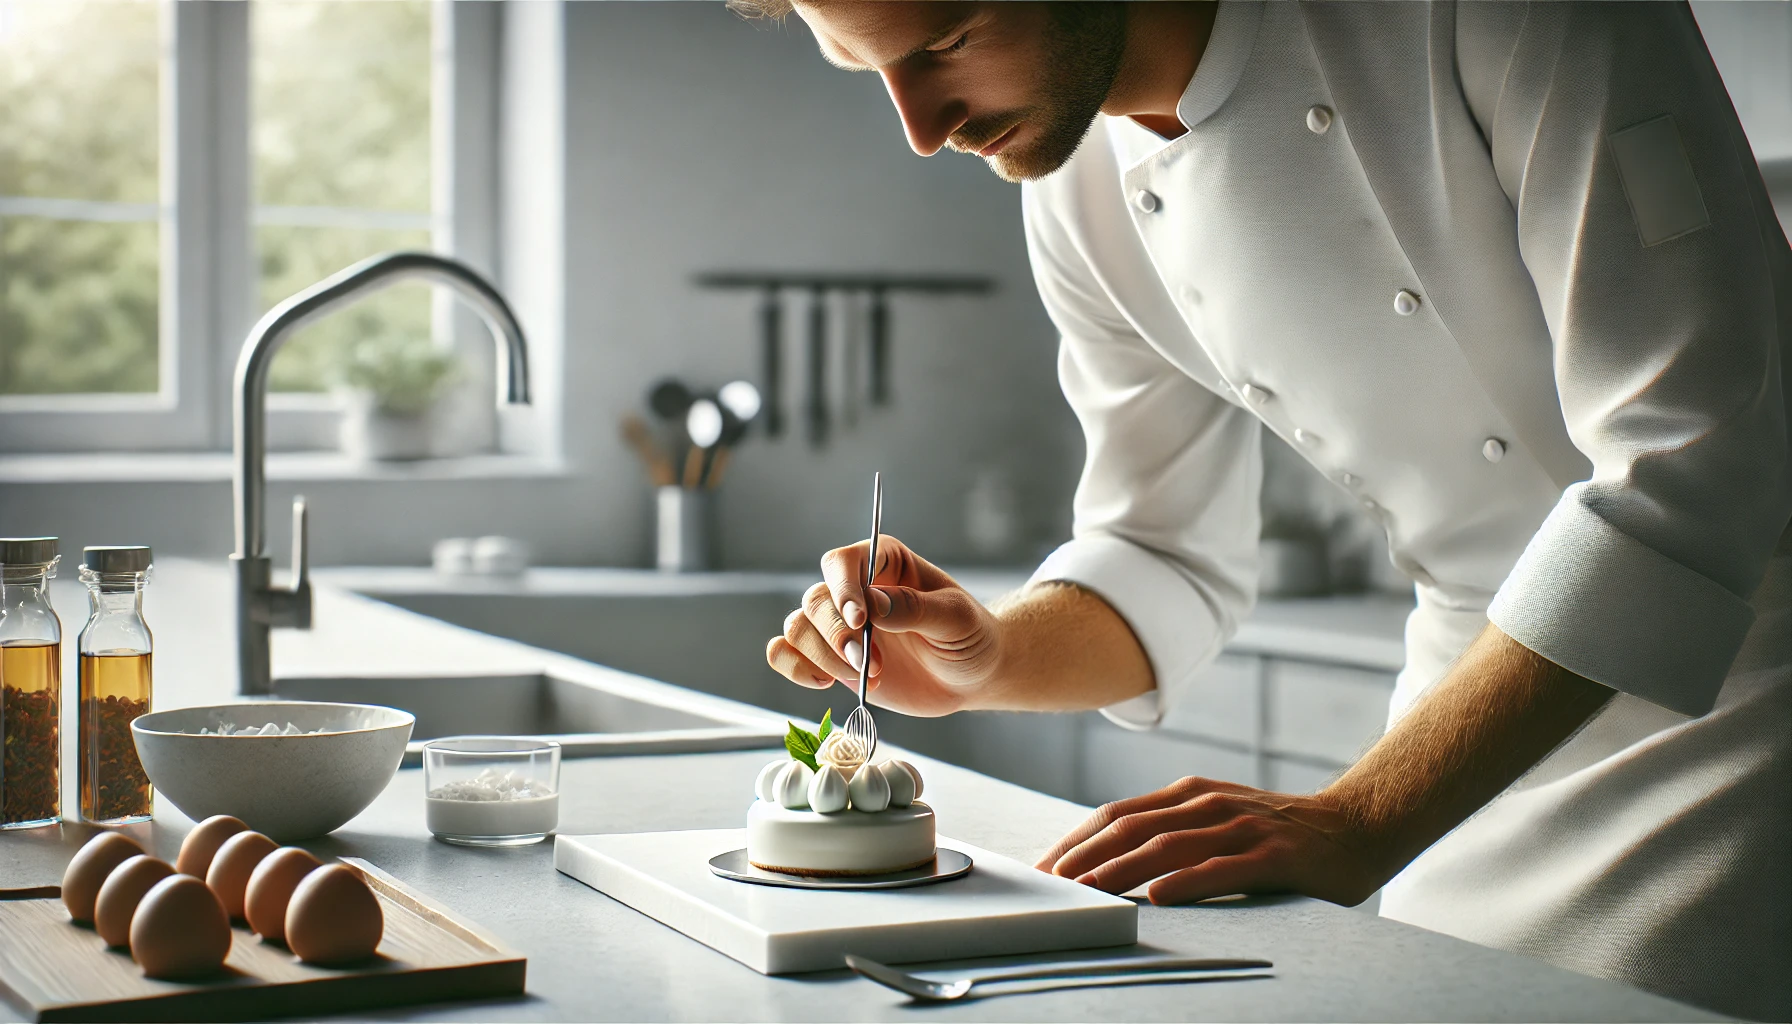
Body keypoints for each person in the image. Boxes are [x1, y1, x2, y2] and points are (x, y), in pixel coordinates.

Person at [746, 3, 1791, 1018]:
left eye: (949, 41)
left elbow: (1690, 466)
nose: (921, 130)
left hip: (1743, 696)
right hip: (1464, 716)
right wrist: (991, 654)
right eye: (865, 69)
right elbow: (1161, 552)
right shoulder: (1074, 195)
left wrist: (1363, 813)